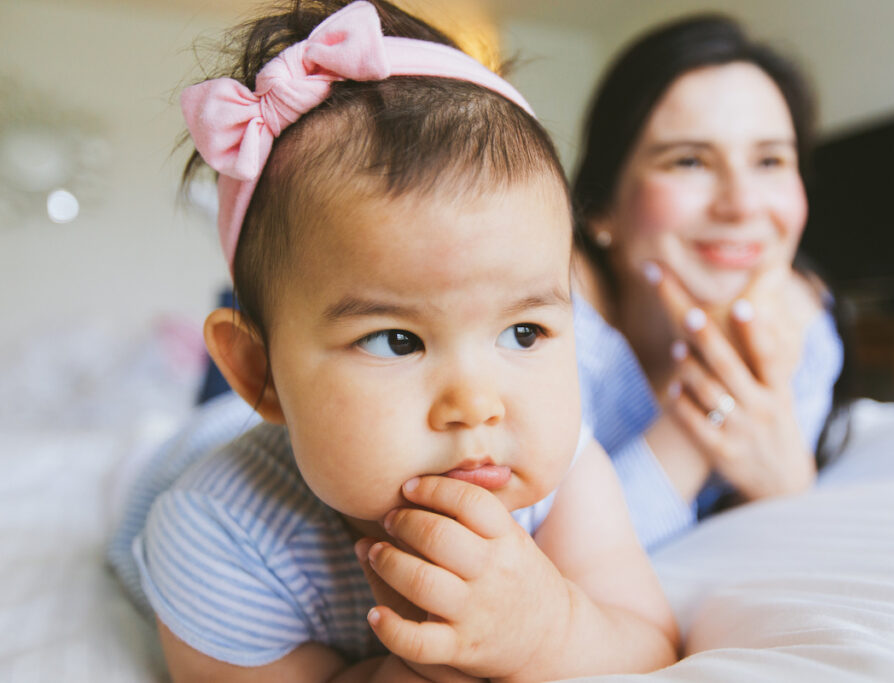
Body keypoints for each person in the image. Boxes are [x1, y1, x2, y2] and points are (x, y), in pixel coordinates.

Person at [111, 2, 677, 681]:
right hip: (187, 456)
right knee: (145, 451)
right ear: (258, 370)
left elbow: (646, 642)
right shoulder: (217, 529)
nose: (476, 403)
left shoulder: (564, 471)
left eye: (523, 331)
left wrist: (550, 632)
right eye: (396, 341)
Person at [571, 14, 846, 550]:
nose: (742, 204)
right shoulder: (540, 333)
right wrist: (708, 407)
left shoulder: (806, 327)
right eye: (690, 161)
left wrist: (788, 486)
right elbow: (557, 573)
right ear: (603, 208)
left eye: (770, 160)